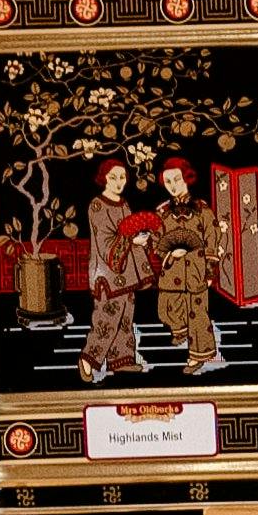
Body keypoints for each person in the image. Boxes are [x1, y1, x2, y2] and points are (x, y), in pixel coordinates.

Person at [81, 158, 149, 385]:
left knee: (125, 318)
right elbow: (104, 241)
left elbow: (128, 233)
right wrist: (130, 239)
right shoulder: (97, 205)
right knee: (107, 318)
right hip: (108, 272)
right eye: (113, 177)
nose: (119, 182)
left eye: (122, 177)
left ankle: (121, 359)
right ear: (104, 178)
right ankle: (89, 359)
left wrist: (138, 241)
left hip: (126, 272)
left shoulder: (124, 204)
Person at [150, 155, 219, 374]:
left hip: (196, 268)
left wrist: (209, 271)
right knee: (165, 308)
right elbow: (157, 241)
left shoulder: (202, 210)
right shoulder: (161, 212)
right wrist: (168, 251)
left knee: (197, 314)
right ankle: (179, 329)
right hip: (172, 269)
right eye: (168, 181)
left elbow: (212, 238)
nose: (172, 186)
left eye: (177, 180)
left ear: (187, 179)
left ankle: (199, 354)